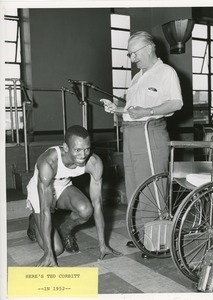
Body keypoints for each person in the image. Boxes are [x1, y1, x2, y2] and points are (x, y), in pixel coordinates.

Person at [100, 31, 183, 258]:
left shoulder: (166, 72)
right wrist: (117, 108)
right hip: (131, 133)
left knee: (152, 186)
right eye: (129, 54)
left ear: (148, 48)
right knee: (135, 185)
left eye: (133, 53)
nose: (132, 59)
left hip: (151, 132)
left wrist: (147, 111)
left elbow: (176, 102)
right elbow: (134, 108)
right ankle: (141, 235)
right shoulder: (138, 77)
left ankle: (157, 241)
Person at [26, 125, 121, 266]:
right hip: (40, 192)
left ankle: (65, 231)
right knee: (56, 250)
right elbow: (45, 210)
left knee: (86, 209)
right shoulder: (48, 162)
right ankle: (34, 221)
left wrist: (103, 244)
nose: (83, 155)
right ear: (65, 147)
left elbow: (98, 204)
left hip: (63, 187)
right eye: (77, 150)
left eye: (87, 149)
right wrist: (48, 254)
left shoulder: (93, 162)